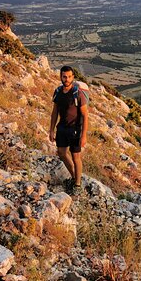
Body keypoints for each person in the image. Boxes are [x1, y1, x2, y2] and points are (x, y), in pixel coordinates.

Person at [48, 65, 89, 193]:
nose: (67, 79)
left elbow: (85, 115)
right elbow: (55, 112)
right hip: (62, 127)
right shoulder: (58, 92)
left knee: (76, 156)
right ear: (61, 77)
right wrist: (51, 129)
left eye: (69, 77)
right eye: (64, 76)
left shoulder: (78, 94)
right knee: (61, 153)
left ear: (73, 77)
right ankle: (75, 177)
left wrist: (84, 135)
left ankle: (77, 185)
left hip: (75, 129)